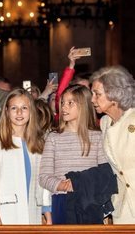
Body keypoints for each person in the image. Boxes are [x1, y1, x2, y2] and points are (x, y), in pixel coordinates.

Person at [39, 85, 115, 224]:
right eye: (62, 103)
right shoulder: (54, 137)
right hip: (62, 200)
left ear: (84, 105)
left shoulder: (97, 136)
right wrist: (61, 185)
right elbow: (44, 176)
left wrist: (82, 183)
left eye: (70, 103)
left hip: (90, 200)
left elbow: (104, 173)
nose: (64, 107)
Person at [0, 88, 51, 224]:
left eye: (24, 108)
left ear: (31, 112)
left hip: (33, 211)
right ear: (6, 112)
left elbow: (43, 183)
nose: (19, 112)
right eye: (14, 108)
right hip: (6, 213)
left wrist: (47, 214)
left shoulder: (39, 143)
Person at [91, 65, 135, 224]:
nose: (92, 99)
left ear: (114, 94)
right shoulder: (104, 123)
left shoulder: (133, 120)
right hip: (121, 208)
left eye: (97, 94)